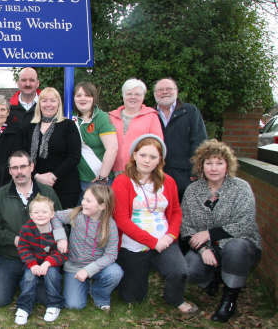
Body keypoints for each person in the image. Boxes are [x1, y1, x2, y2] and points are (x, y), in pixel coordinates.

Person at [112, 134, 197, 314]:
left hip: (164, 239)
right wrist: (152, 242)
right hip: (133, 243)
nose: (147, 160)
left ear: (160, 160)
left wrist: (170, 236)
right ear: (134, 155)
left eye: (153, 157)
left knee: (179, 271)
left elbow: (175, 212)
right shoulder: (122, 181)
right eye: (143, 155)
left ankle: (175, 298)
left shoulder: (168, 181)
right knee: (133, 297)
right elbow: (121, 220)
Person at [181, 139, 261, 322]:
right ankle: (213, 279)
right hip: (207, 248)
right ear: (201, 166)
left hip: (240, 246)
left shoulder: (241, 188)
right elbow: (186, 227)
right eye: (209, 163)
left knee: (235, 248)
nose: (214, 168)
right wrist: (202, 249)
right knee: (188, 268)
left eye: (219, 163)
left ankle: (230, 296)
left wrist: (210, 234)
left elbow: (246, 223)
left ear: (228, 165)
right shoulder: (192, 191)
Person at [0, 150, 62, 307]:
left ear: (32, 167)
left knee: (46, 300)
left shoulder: (47, 192)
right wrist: (15, 239)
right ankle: (21, 281)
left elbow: (60, 223)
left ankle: (29, 282)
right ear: (9, 171)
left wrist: (50, 245)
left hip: (41, 258)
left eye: (23, 166)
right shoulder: (0, 195)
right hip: (10, 256)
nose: (19, 172)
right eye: (14, 168)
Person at [52, 184, 123, 311]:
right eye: (84, 198)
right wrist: (61, 237)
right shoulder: (76, 214)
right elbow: (55, 216)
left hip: (98, 267)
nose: (83, 202)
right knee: (74, 305)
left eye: (88, 201)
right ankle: (83, 285)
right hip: (74, 266)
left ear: (102, 206)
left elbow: (111, 255)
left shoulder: (110, 225)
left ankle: (99, 294)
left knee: (115, 273)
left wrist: (88, 270)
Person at [23, 87, 81, 208]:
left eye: (53, 100)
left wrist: (53, 176)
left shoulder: (68, 125)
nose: (48, 104)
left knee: (63, 225)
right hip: (37, 185)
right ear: (39, 104)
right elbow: (24, 156)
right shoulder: (30, 127)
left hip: (66, 187)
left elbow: (74, 157)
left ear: (58, 104)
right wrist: (37, 176)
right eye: (44, 101)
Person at [14, 194, 67, 325]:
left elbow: (62, 253)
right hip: (32, 262)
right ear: (31, 215)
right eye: (36, 212)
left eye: (44, 212)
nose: (40, 215)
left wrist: (48, 263)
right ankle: (24, 307)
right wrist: (32, 265)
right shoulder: (26, 229)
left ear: (52, 214)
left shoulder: (58, 231)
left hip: (51, 263)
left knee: (53, 274)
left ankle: (54, 304)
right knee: (28, 277)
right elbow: (23, 248)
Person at [154, 78, 207, 200]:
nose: (164, 92)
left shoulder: (190, 111)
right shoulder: (150, 114)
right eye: (160, 90)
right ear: (155, 94)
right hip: (157, 175)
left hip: (185, 176)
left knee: (184, 214)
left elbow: (200, 142)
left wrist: (195, 170)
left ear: (176, 91)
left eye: (169, 89)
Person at [72, 82, 117, 198]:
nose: (83, 98)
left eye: (87, 95)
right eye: (79, 95)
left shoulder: (101, 118)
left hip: (99, 181)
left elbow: (112, 149)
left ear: (93, 98)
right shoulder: (71, 117)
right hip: (78, 181)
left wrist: (102, 177)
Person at [108, 79, 163, 173]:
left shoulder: (151, 117)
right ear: (123, 95)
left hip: (140, 171)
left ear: (143, 96)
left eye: (137, 94)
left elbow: (157, 146)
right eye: (129, 94)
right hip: (112, 171)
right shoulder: (111, 117)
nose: (133, 97)